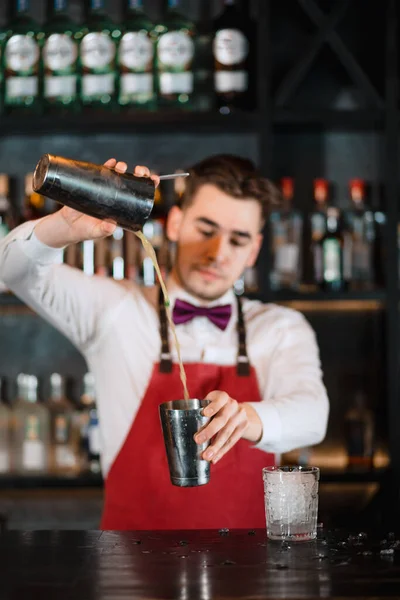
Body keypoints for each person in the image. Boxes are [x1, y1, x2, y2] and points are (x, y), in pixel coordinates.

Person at [0, 154, 329, 530]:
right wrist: (66, 224)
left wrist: (247, 417)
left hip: (250, 573)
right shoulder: (114, 310)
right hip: (128, 574)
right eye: (206, 229)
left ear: (254, 251)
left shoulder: (280, 328)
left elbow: (313, 415)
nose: (217, 253)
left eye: (237, 241)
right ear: (174, 223)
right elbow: (11, 269)